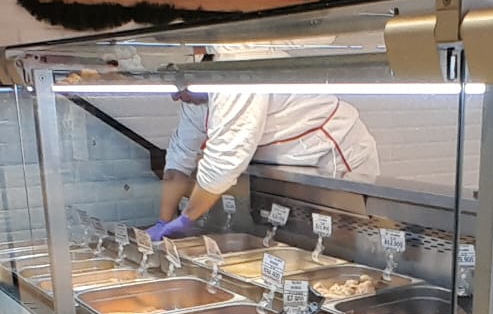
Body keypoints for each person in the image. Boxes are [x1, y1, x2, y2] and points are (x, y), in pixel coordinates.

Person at [145, 48, 380, 240]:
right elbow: (179, 159)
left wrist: (187, 219)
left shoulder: (235, 75)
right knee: (293, 235)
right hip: (285, 160)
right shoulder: (195, 102)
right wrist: (163, 221)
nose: (175, 98)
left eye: (178, 89)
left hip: (334, 153)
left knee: (342, 237)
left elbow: (222, 164)